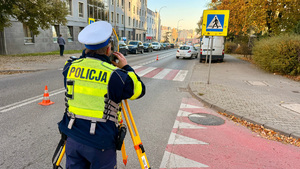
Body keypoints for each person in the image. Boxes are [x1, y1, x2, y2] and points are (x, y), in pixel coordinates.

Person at [58, 21, 146, 169]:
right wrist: (126, 67)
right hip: (101, 144)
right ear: (108, 50)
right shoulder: (116, 75)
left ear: (86, 47)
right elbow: (139, 90)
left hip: (72, 137)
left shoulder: (70, 67)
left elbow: (82, 62)